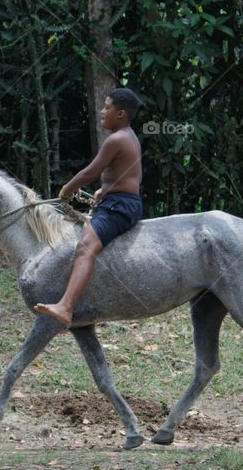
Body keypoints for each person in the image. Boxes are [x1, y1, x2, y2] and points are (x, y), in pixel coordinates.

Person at [33, 87, 143, 326]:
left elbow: (90, 172)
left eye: (107, 107)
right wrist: (106, 189)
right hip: (121, 201)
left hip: (119, 207)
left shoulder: (115, 139)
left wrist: (66, 190)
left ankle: (66, 306)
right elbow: (128, 174)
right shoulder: (129, 136)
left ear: (121, 113)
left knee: (85, 247)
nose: (102, 111)